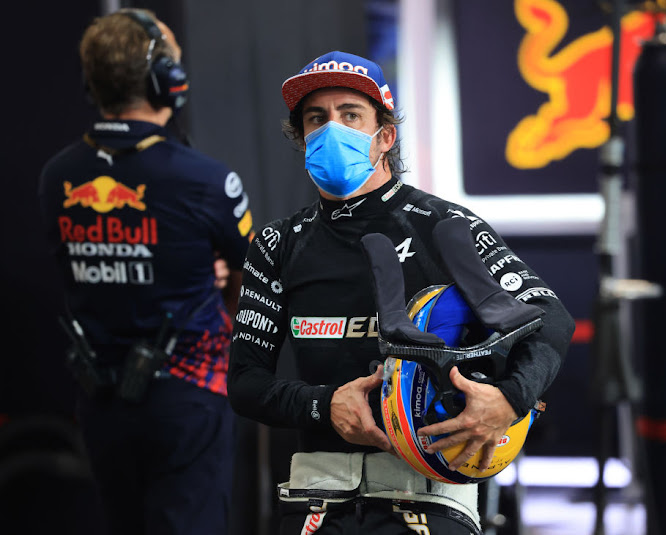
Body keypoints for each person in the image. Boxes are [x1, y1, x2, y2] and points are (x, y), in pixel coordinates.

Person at [228, 50, 575, 534]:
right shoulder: (277, 243)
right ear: (302, 137)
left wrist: (510, 398)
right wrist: (323, 403)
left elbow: (550, 316)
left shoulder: (444, 225)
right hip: (316, 497)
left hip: (430, 495)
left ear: (385, 135)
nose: (332, 129)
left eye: (350, 115)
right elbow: (244, 384)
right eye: (316, 118)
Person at [38, 8, 255, 535]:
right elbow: (256, 281)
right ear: (168, 82)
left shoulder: (57, 175)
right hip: (187, 401)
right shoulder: (205, 180)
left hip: (99, 404)